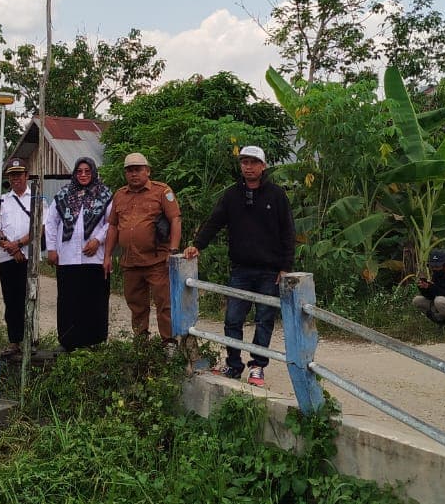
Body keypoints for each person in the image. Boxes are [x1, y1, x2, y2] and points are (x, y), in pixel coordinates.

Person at [184, 145, 294, 387]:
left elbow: (288, 231)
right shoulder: (232, 195)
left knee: (264, 320)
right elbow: (214, 222)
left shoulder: (276, 195)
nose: (249, 167)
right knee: (233, 319)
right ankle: (233, 364)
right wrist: (197, 245)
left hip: (269, 271)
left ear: (263, 166)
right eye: (244, 162)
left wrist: (285, 267)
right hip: (241, 270)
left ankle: (257, 366)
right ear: (240, 165)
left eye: (254, 162)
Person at [103, 152, 181, 346]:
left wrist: (173, 250)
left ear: (148, 171)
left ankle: (169, 343)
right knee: (136, 304)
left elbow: (175, 219)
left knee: (164, 304)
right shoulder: (120, 195)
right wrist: (107, 256)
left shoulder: (162, 191)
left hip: (157, 261)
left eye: (138, 170)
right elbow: (112, 226)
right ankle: (141, 344)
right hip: (130, 262)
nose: (133, 174)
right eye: (129, 170)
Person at [46, 157, 112, 351]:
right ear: (74, 173)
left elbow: (112, 223)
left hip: (94, 258)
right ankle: (68, 341)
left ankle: (94, 342)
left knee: (94, 300)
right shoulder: (64, 194)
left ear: (93, 172)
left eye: (87, 171)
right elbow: (51, 222)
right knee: (69, 301)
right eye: (79, 171)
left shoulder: (105, 194)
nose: (83, 175)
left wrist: (97, 239)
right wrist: (51, 249)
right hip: (67, 258)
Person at [0, 158, 35, 358]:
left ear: (26, 176)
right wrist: (11, 247)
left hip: (29, 260)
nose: (16, 179)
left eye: (19, 174)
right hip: (8, 259)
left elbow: (40, 228)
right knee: (11, 302)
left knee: (30, 300)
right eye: (12, 175)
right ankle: (14, 342)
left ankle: (31, 340)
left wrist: (20, 245)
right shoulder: (2, 201)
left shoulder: (37, 199)